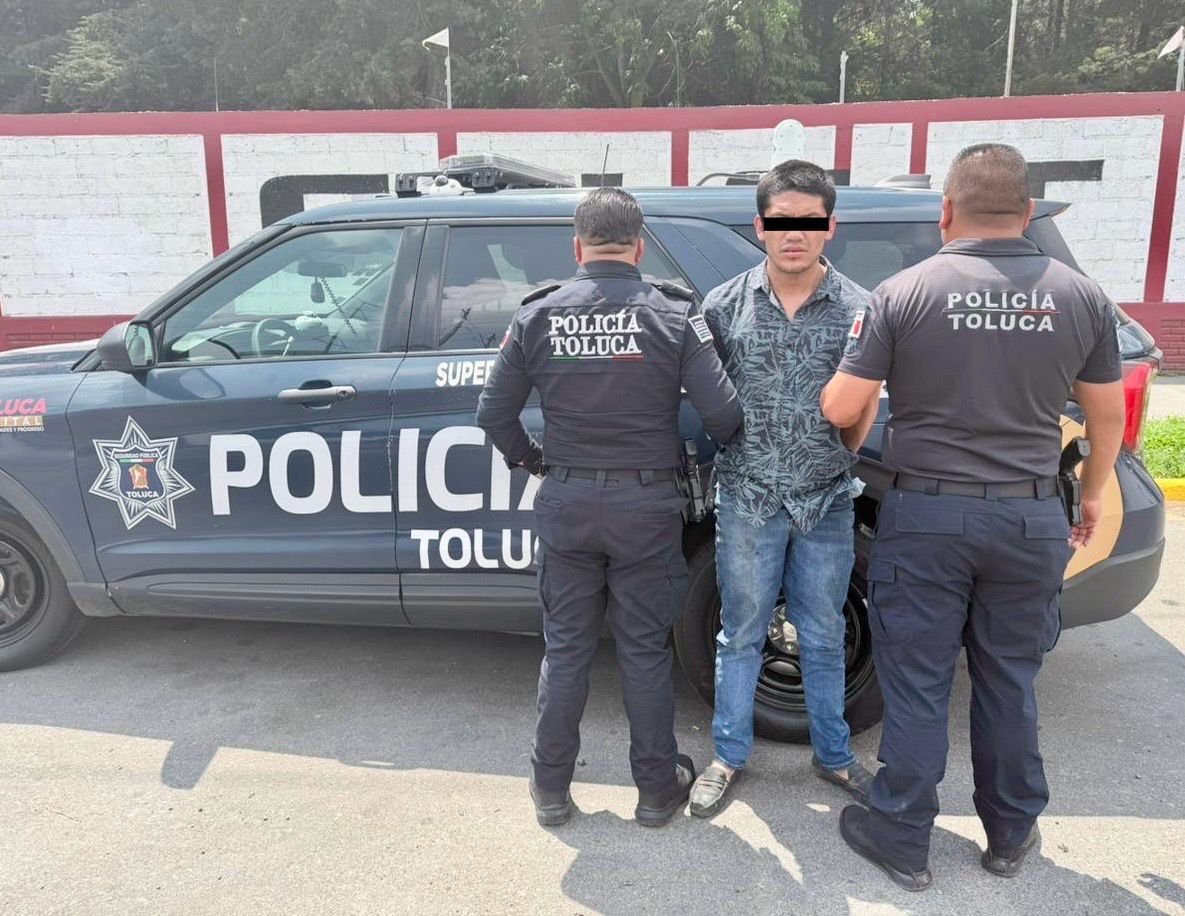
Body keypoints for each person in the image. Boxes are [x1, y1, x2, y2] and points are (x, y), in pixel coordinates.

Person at [821, 143, 1125, 891]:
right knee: (1008, 679)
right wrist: (1091, 492)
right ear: (1027, 211)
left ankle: (901, 838)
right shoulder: (1080, 296)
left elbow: (841, 405)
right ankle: (1009, 835)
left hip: (928, 516)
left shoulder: (903, 292)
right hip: (1029, 519)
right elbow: (1107, 416)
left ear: (946, 210)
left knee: (919, 680)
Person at [476, 187, 744, 828]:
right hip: (646, 505)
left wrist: (535, 461)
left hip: (567, 500)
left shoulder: (539, 313)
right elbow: (725, 415)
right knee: (644, 651)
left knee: (566, 650)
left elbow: (493, 413)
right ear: (639, 247)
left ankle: (550, 789)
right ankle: (655, 790)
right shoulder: (673, 313)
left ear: (578, 246)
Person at [688, 159, 880, 819]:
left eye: (807, 221)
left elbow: (865, 402)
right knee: (739, 634)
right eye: (780, 221)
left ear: (829, 227)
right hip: (747, 499)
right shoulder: (722, 306)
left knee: (823, 633)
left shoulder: (860, 309)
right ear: (759, 226)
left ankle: (834, 755)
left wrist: (837, 458)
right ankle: (727, 756)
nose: (793, 233)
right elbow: (708, 396)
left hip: (826, 499)